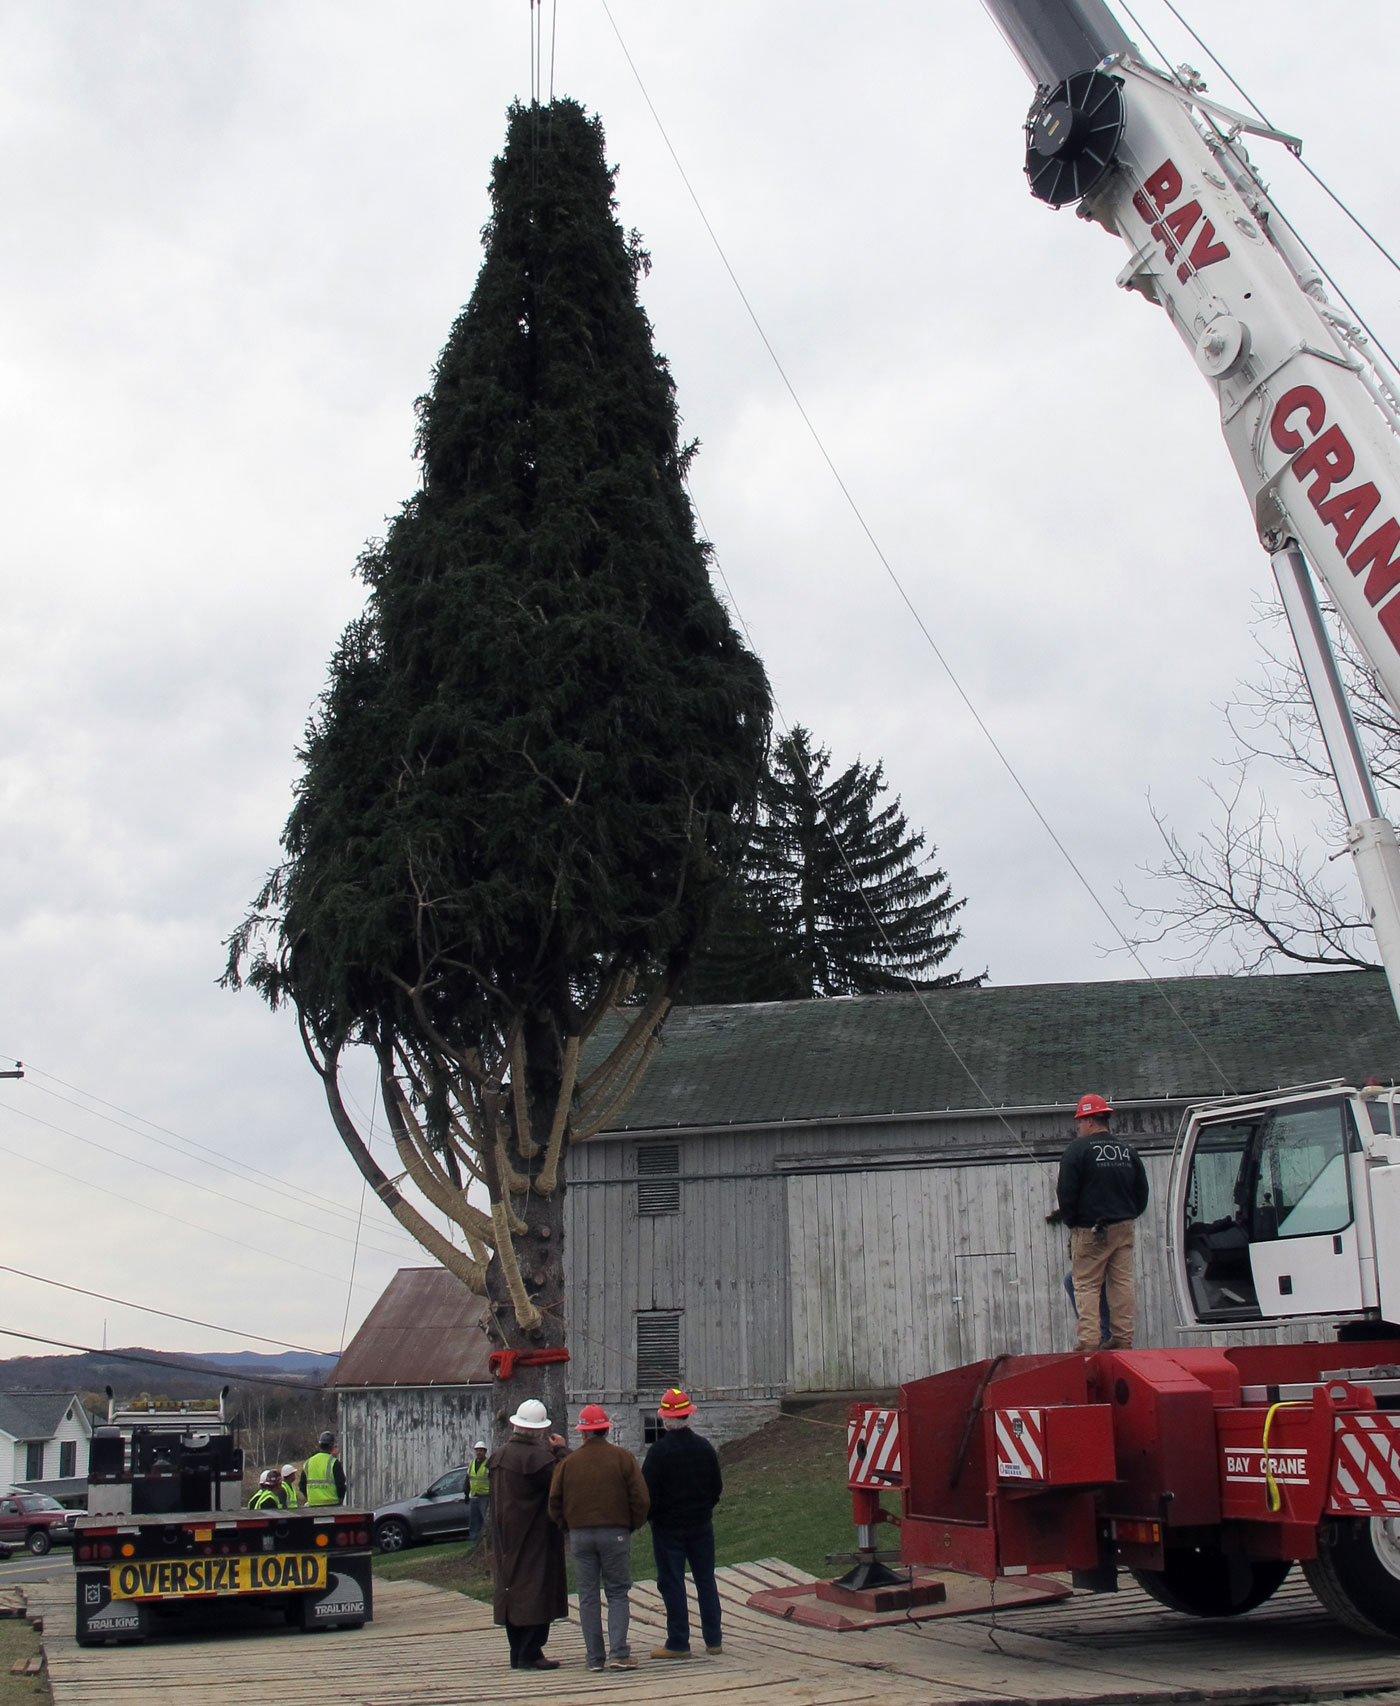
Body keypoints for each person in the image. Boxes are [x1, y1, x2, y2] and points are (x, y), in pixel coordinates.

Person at [548, 1404, 649, 1673]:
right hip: (615, 1532)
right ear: (606, 1429)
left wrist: (567, 1526)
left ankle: (594, 1658)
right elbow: (641, 1499)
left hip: (580, 1535)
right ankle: (618, 1653)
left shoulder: (568, 1464)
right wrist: (630, 1525)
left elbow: (554, 1502)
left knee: (588, 1596)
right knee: (617, 1592)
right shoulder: (623, 1458)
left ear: (582, 1433)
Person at [1057, 1093, 1149, 1351]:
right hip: (1124, 1228)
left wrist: (1072, 1222)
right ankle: (1122, 1339)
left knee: (1084, 1284)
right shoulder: (1127, 1151)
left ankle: (1089, 1341)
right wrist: (1129, 1214)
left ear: (1088, 1121)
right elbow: (1142, 1192)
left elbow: (1066, 1191)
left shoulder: (1077, 1151)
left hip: (1090, 1230)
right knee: (1121, 1285)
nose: (1079, 1127)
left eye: (1080, 1122)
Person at [642, 1387, 724, 1660]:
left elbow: (647, 1494)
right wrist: (703, 1509)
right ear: (689, 1415)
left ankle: (678, 1641)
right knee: (705, 1580)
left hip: (668, 1528)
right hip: (701, 1524)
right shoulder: (704, 1447)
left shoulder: (658, 1452)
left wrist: (652, 1517)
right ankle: (714, 1639)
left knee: (672, 1582)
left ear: (665, 1420)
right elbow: (716, 1488)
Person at [489, 1397, 569, 1671]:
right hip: (536, 1534)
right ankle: (531, 1652)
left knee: (511, 1588)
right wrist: (561, 1452)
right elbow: (563, 1483)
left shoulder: (498, 1456)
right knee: (537, 1588)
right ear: (539, 1431)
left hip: (504, 1534)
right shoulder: (539, 1459)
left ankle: (518, 1652)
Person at [301, 1431, 347, 1507]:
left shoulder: (308, 1462)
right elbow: (341, 1485)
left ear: (320, 1445)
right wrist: (340, 1500)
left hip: (313, 1504)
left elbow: (302, 1485)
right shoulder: (334, 1462)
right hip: (332, 1504)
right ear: (332, 1446)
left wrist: (310, 1497)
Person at [467, 1440, 490, 1546]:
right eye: (477, 1450)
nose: (478, 1453)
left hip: (485, 1496)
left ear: (485, 1451)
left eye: (481, 1450)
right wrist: (466, 1492)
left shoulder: (488, 1463)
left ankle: (486, 1538)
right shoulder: (472, 1463)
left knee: (485, 1518)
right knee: (474, 1519)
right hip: (474, 1495)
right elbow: (468, 1479)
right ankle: (474, 1539)